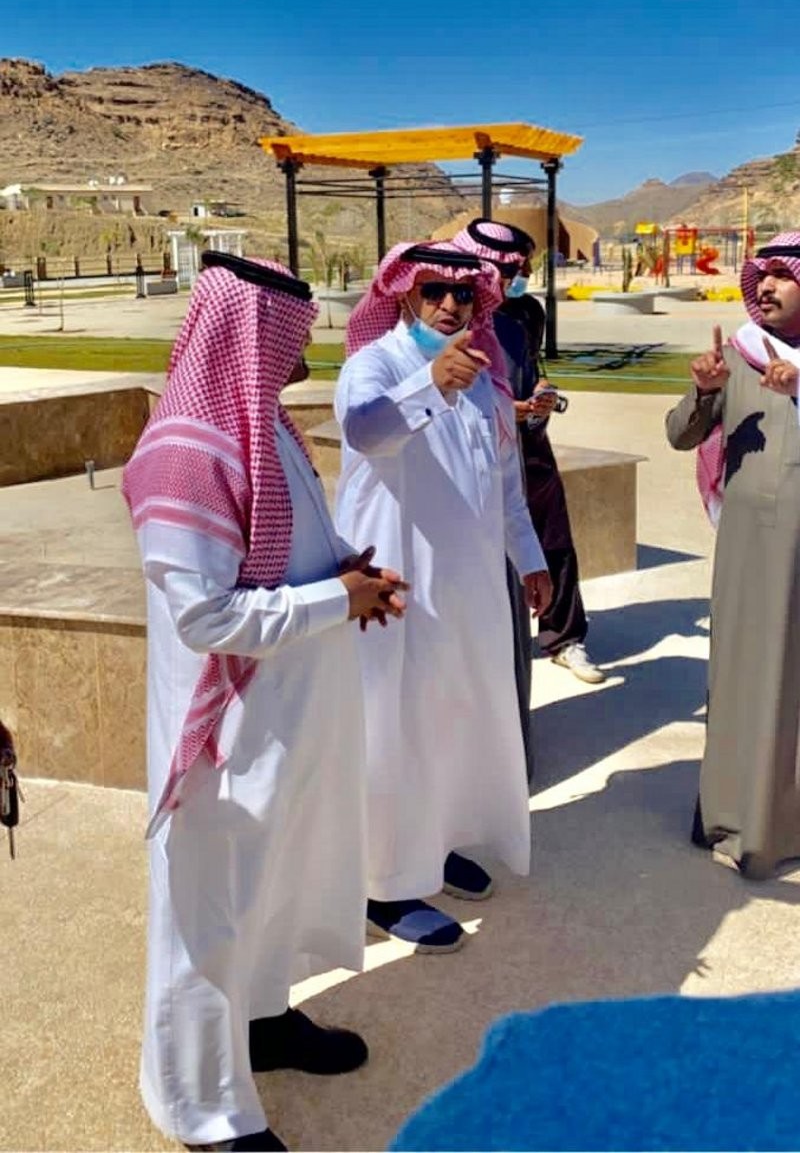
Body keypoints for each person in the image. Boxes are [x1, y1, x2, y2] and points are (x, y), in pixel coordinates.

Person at [122, 251, 408, 1151]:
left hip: (287, 714)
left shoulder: (265, 426)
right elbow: (207, 615)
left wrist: (349, 573)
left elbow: (283, 553)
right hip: (228, 733)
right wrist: (336, 600)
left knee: (272, 885)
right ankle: (199, 1103)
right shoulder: (186, 451)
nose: (309, 344)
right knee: (210, 913)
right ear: (250, 332)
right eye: (295, 329)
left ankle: (263, 1020)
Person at [335, 241, 551, 954]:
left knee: (453, 717)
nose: (450, 305)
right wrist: (430, 383)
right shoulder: (375, 365)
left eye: (463, 294)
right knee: (394, 726)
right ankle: (384, 883)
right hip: (396, 588)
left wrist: (529, 559)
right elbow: (366, 430)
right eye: (434, 291)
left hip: (467, 589)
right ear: (404, 292)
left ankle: (435, 844)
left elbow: (505, 483)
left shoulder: (485, 381)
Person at [666, 230, 800, 880]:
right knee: (748, 673)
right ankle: (734, 816)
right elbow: (679, 435)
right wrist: (704, 391)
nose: (766, 287)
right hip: (754, 546)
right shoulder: (737, 356)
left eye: (782, 276)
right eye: (761, 277)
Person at [454, 220, 604, 690]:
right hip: (477, 451)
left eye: (524, 268)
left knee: (553, 537)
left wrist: (541, 393)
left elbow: (532, 368)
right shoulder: (454, 315)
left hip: (530, 442)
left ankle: (564, 637)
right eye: (511, 269)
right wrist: (502, 411)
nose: (518, 277)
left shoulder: (525, 313)